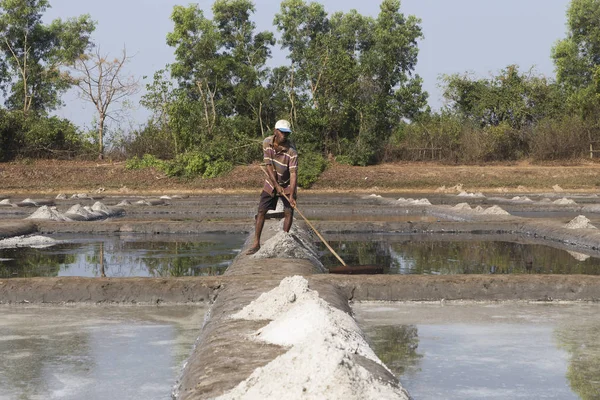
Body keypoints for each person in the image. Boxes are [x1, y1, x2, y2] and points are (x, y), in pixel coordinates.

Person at [246, 119, 298, 255]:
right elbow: (268, 165)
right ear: (275, 131)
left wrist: (291, 195)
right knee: (262, 211)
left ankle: (283, 240)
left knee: (288, 212)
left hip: (287, 183)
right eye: (282, 133)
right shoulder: (266, 143)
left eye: (287, 133)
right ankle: (256, 243)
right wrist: (275, 185)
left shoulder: (292, 151)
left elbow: (293, 174)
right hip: (271, 182)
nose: (285, 136)